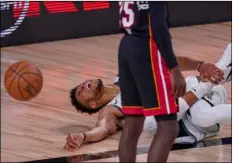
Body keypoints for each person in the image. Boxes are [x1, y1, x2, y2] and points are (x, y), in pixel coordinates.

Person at [64, 44, 231, 153]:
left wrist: (200, 65)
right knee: (153, 122)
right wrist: (83, 136)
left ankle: (213, 78)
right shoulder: (110, 111)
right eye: (80, 93)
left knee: (198, 116)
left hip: (192, 92)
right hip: (190, 121)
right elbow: (102, 128)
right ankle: (221, 70)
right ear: (92, 104)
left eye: (80, 84)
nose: (82, 86)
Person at [117, 2, 224, 162]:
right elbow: (159, 28)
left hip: (126, 46)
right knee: (168, 125)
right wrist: (174, 69)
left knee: (133, 124)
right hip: (148, 48)